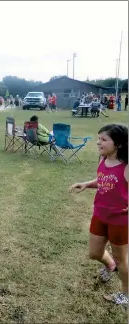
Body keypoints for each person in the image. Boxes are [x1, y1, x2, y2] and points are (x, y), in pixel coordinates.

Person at [69, 124, 128, 306]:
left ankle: (126, 294)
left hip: (119, 220)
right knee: (94, 253)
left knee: (121, 259)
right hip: (100, 215)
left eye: (103, 139)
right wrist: (87, 184)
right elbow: (103, 180)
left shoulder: (126, 166)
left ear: (117, 144)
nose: (98, 143)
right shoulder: (103, 159)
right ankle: (110, 265)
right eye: (98, 139)